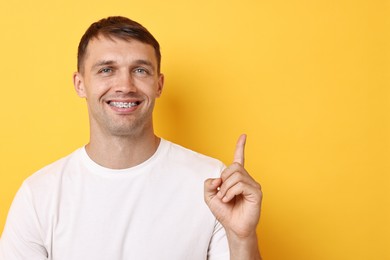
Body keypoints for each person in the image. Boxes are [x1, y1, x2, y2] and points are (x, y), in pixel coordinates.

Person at [0, 16, 262, 260]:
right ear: (80, 84)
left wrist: (242, 238)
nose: (125, 85)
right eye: (106, 70)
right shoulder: (39, 195)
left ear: (158, 85)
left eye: (140, 70)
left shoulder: (212, 184)